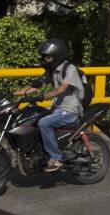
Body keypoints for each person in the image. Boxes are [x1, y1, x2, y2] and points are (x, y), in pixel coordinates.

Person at [15, 39, 84, 172]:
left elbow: (62, 88)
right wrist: (15, 94)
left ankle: (56, 158)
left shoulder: (70, 68)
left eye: (48, 56)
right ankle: (37, 153)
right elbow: (36, 86)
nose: (45, 59)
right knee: (31, 116)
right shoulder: (52, 70)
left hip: (70, 110)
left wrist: (45, 96)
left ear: (57, 56)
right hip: (57, 108)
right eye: (44, 56)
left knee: (44, 123)